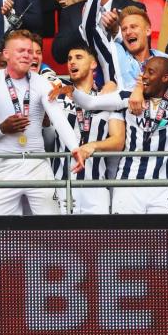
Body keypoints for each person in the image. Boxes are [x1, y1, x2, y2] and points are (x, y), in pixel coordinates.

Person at [0, 30, 84, 215]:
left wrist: (75, 147)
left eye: (30, 51)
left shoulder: (41, 82)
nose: (27, 55)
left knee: (51, 229)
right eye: (21, 50)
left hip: (37, 163)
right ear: (6, 54)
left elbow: (58, 118)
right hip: (5, 165)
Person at [80, 55, 168, 214]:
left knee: (165, 239)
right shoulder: (127, 97)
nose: (144, 76)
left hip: (163, 187)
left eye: (151, 72)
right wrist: (69, 90)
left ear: (165, 77)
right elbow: (90, 103)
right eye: (144, 72)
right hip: (128, 185)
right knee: (125, 238)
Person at [50, 44, 125, 214]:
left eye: (78, 57)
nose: (72, 62)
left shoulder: (107, 99)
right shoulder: (57, 98)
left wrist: (93, 146)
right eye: (69, 59)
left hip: (96, 187)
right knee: (61, 240)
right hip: (62, 184)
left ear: (93, 64)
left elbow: (118, 140)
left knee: (97, 241)